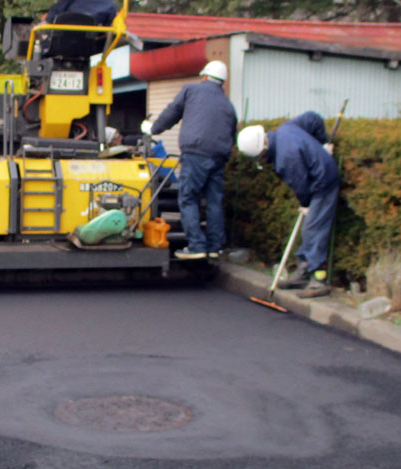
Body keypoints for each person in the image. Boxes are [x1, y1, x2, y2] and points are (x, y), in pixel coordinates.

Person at [237, 111, 340, 298]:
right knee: (309, 229)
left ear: (262, 149)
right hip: (318, 175)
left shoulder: (285, 159)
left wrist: (306, 203)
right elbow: (312, 118)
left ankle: (318, 281)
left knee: (313, 229)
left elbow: (301, 185)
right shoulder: (286, 129)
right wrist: (322, 143)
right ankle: (303, 274)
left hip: (323, 181)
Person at [144, 60, 237, 259]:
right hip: (219, 157)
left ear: (204, 76)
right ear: (222, 82)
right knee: (213, 201)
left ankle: (196, 246)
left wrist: (153, 129)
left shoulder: (191, 90)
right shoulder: (227, 104)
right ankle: (215, 246)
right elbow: (232, 133)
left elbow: (172, 113)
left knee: (188, 199)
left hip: (196, 154)